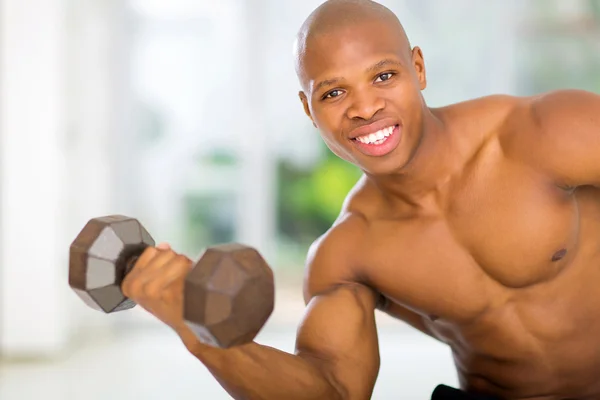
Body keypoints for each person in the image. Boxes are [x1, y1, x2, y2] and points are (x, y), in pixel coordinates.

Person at [120, 0, 600, 399]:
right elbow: (331, 390)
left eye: (384, 77)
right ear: (309, 109)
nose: (365, 108)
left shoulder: (544, 133)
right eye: (333, 93)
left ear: (417, 68)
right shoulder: (348, 253)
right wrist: (200, 335)